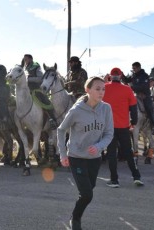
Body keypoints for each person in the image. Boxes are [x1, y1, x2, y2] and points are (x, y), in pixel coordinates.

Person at [57, 76, 113, 230]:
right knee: (88, 194)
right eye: (97, 89)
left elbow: (109, 133)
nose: (101, 92)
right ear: (88, 90)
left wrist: (99, 146)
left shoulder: (106, 108)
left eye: (103, 89)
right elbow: (61, 130)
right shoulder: (76, 111)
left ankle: (75, 214)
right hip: (76, 157)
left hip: (95, 158)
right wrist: (63, 154)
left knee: (88, 191)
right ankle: (75, 219)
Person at [103, 67, 144, 188]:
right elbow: (133, 108)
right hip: (124, 127)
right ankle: (136, 177)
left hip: (109, 128)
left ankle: (114, 180)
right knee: (128, 153)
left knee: (111, 154)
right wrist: (134, 122)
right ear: (120, 76)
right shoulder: (127, 89)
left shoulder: (104, 88)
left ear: (110, 76)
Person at [22, 54, 57, 129]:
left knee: (45, 102)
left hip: (36, 89)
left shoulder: (36, 66)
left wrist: (28, 79)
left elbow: (40, 78)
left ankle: (52, 119)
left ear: (30, 59)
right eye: (24, 59)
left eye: (26, 59)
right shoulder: (25, 68)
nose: (25, 61)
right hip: (27, 91)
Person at [124, 62, 154, 135]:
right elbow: (126, 80)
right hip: (135, 95)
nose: (133, 70)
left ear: (139, 67)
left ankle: (153, 126)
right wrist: (122, 75)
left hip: (145, 96)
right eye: (132, 68)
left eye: (134, 68)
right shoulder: (133, 75)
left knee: (149, 107)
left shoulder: (145, 76)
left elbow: (143, 87)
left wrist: (131, 87)